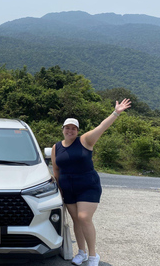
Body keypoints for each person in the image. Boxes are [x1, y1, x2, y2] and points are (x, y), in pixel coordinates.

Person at [51, 99, 131, 266]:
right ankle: (81, 252)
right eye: (67, 128)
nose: (70, 130)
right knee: (76, 220)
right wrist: (59, 189)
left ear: (77, 130)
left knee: (84, 217)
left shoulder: (85, 140)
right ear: (63, 129)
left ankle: (93, 255)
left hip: (88, 185)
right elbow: (56, 170)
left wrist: (116, 113)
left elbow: (101, 127)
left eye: (73, 128)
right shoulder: (56, 147)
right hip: (67, 187)